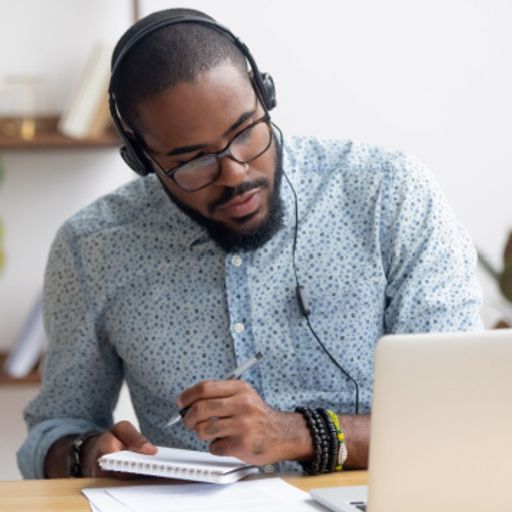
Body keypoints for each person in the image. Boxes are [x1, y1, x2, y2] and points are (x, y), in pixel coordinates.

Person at [18, 8, 482, 479]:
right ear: (142, 159)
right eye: (193, 161)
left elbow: (463, 416)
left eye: (245, 132)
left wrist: (297, 434)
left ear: (265, 96)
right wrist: (88, 454)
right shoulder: (91, 247)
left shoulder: (389, 194)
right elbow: (52, 431)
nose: (235, 172)